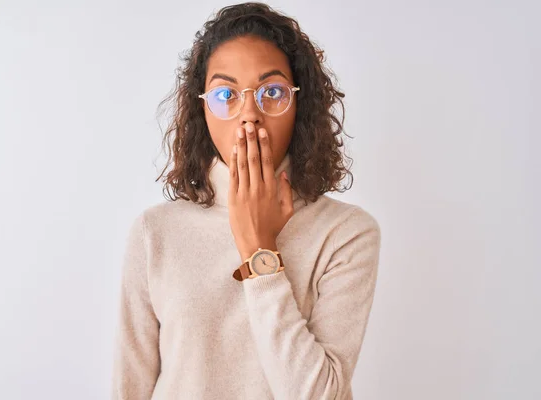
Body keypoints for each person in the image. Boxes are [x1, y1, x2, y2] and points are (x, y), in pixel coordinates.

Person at [111, 2, 381, 399]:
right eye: (226, 94)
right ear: (203, 108)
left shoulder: (345, 234)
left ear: (299, 104)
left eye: (272, 92)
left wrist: (259, 251)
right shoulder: (155, 232)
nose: (249, 115)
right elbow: (129, 387)